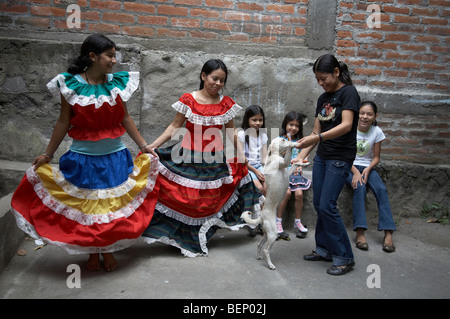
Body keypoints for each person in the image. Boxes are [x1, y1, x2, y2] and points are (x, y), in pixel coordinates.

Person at [10, 34, 160, 272]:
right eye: (109, 55)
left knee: (110, 208)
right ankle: (92, 252)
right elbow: (63, 122)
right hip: (82, 159)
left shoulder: (117, 83)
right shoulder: (69, 84)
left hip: (115, 157)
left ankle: (107, 249)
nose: (114, 60)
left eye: (114, 55)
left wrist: (144, 146)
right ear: (92, 56)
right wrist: (47, 155)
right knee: (89, 208)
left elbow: (125, 117)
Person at [142, 59, 263, 256]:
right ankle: (177, 237)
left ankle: (199, 237)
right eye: (214, 78)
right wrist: (154, 145)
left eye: (222, 81)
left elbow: (231, 132)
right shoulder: (189, 100)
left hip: (213, 160)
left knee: (205, 204)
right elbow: (174, 127)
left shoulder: (226, 104)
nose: (217, 84)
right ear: (203, 76)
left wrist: (243, 159)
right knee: (186, 201)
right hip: (185, 156)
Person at [296, 54, 360, 276]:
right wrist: (299, 157)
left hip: (340, 158)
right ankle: (324, 249)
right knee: (318, 203)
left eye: (324, 78)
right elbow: (315, 132)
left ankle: (344, 256)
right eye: (318, 80)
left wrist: (318, 139)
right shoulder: (323, 98)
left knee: (328, 205)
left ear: (336, 72)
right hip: (322, 156)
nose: (321, 84)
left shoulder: (349, 93)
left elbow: (346, 125)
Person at [346, 101, 396, 252]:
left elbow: (376, 157)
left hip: (367, 167)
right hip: (350, 167)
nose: (365, 117)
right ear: (357, 114)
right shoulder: (349, 129)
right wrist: (355, 172)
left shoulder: (377, 132)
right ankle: (360, 232)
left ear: (375, 116)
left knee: (381, 189)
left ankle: (388, 233)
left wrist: (367, 170)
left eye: (369, 114)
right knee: (359, 187)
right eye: (362, 113)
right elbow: (343, 155)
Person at [276, 111, 311, 240]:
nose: (293, 128)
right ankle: (278, 221)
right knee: (287, 193)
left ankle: (297, 222)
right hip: (283, 174)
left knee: (299, 194)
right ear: (285, 124)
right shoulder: (280, 140)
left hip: (296, 174)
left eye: (297, 126)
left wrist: (300, 165)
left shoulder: (301, 142)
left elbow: (305, 158)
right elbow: (276, 159)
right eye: (291, 124)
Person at [238, 105, 268, 196]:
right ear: (247, 119)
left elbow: (264, 158)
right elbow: (241, 159)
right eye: (254, 120)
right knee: (259, 188)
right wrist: (255, 171)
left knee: (267, 186)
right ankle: (254, 209)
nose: (258, 123)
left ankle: (263, 210)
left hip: (259, 166)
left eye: (260, 120)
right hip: (246, 168)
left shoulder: (263, 135)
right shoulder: (241, 134)